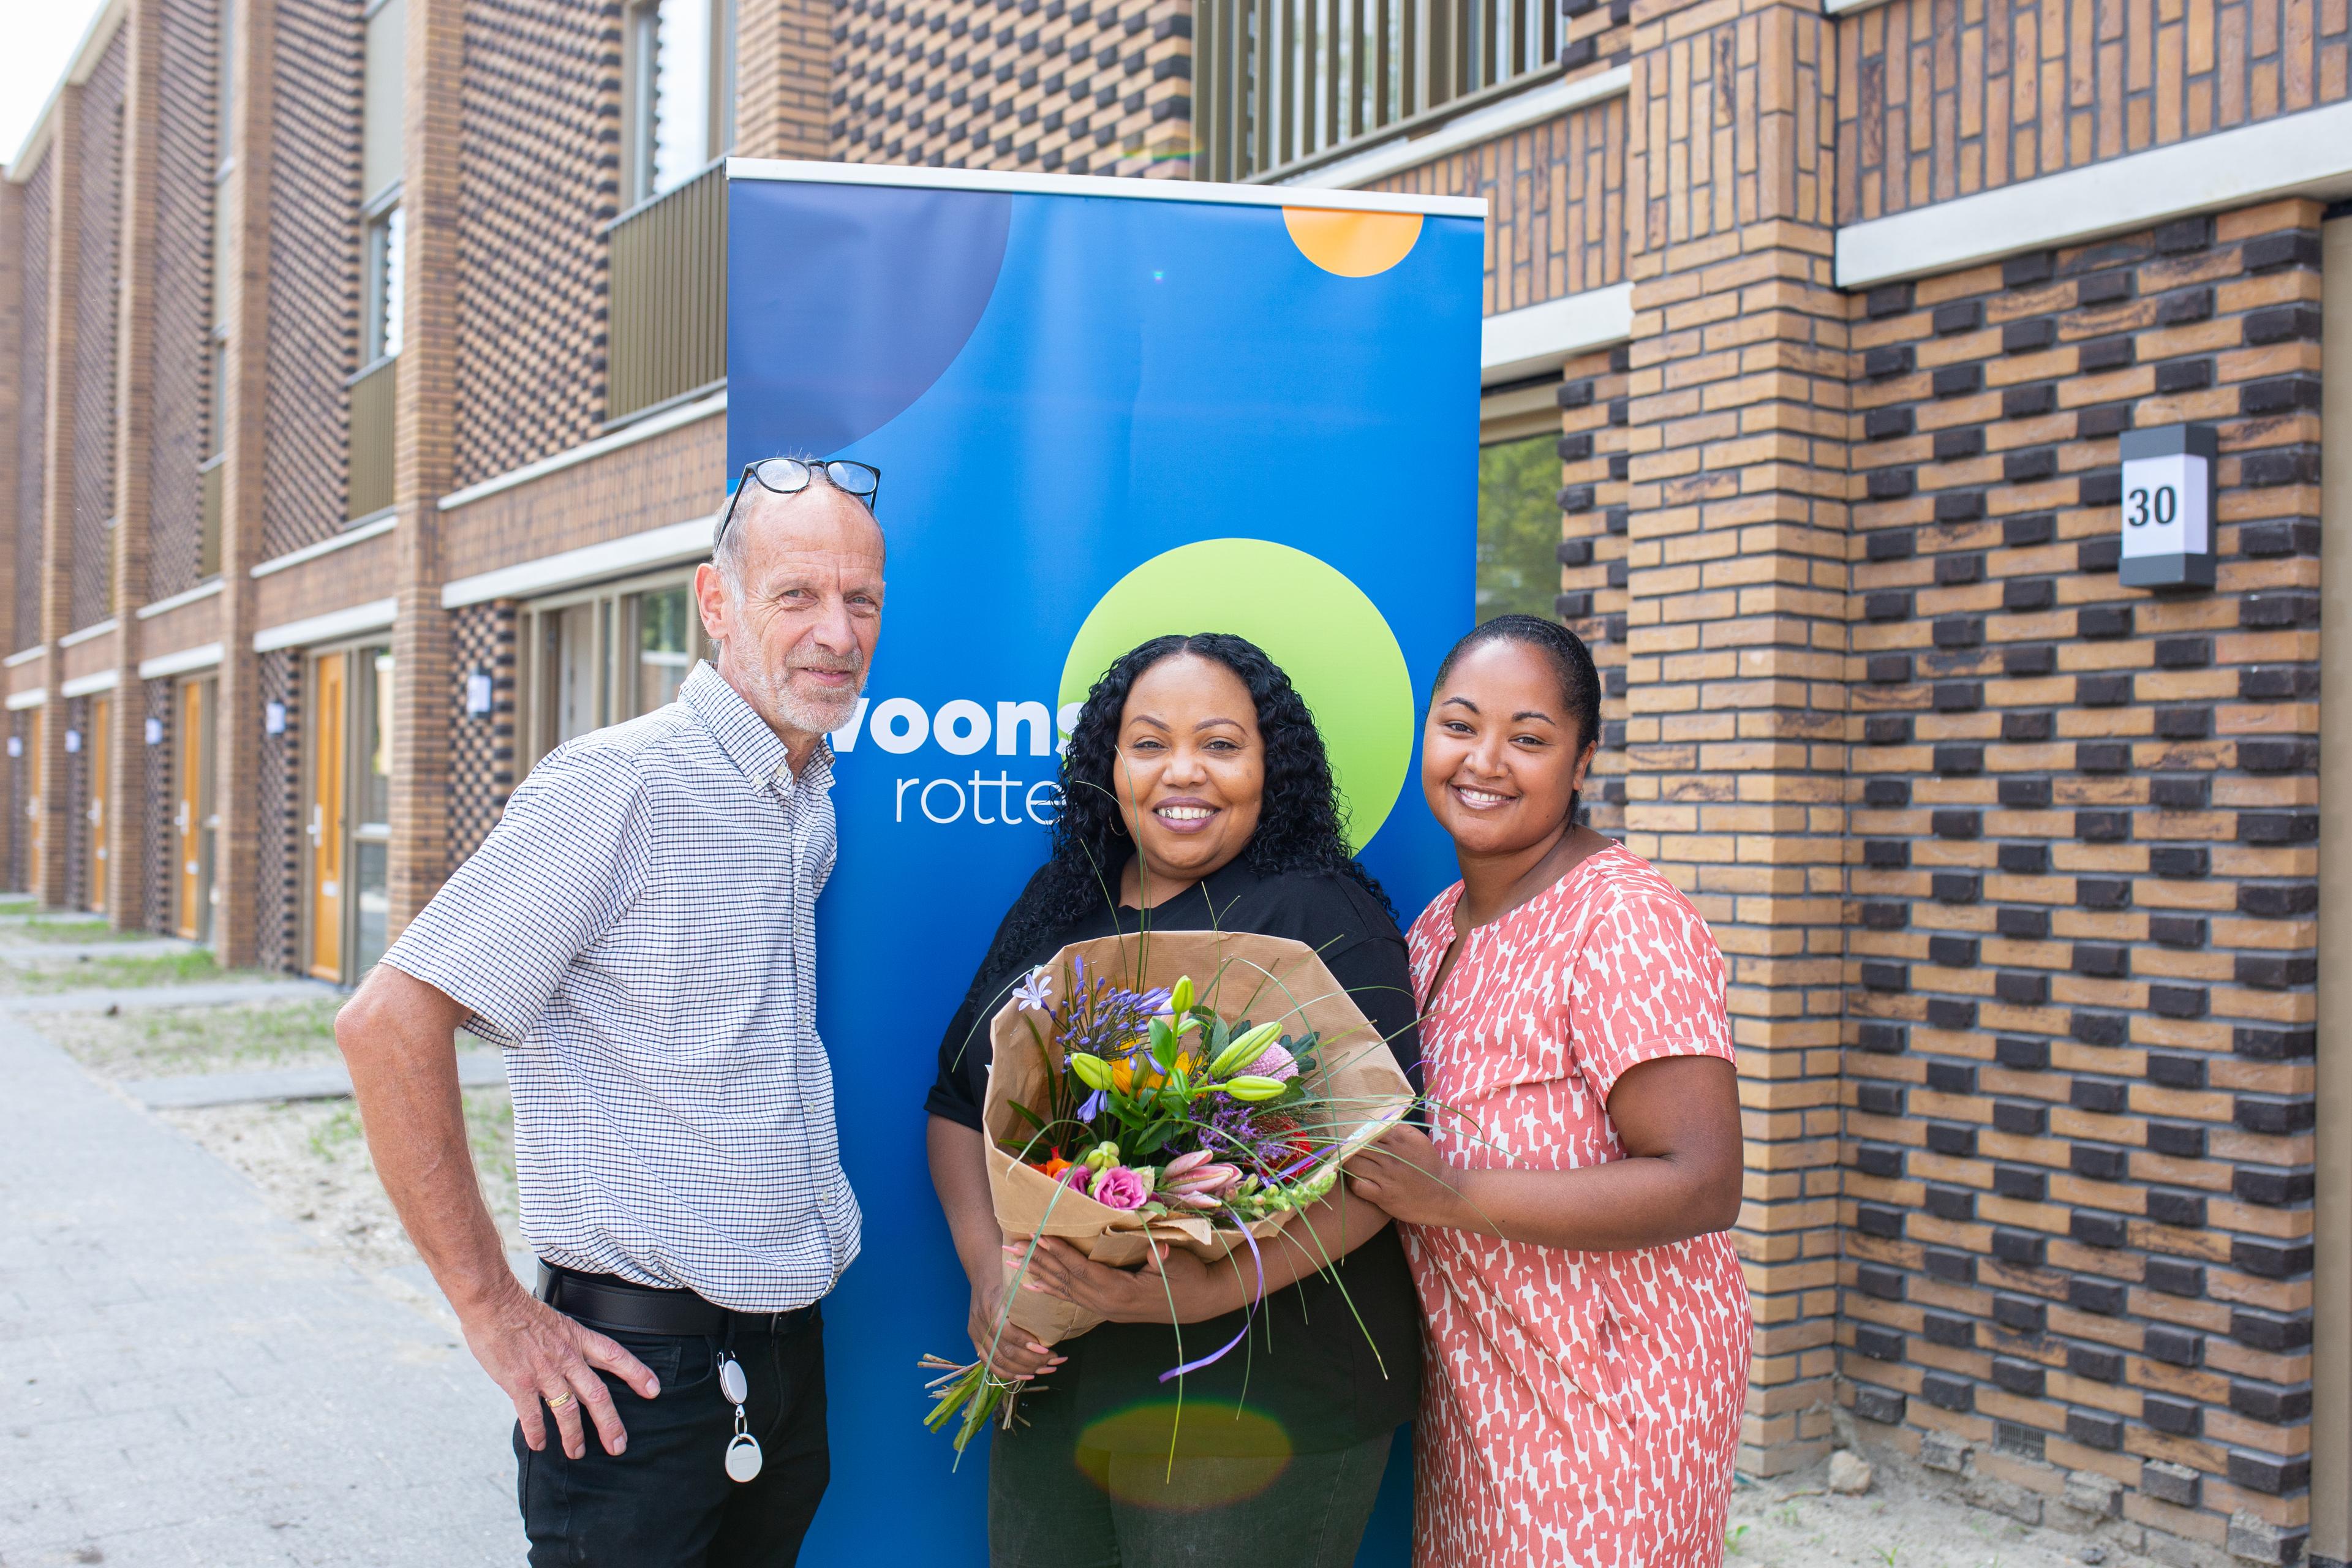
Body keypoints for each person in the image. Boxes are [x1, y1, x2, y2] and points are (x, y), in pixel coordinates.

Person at [334, 456, 888, 1567]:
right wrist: (493, 1309)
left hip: (782, 1363)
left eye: (860, 599)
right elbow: (386, 1024)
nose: (837, 630)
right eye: (797, 595)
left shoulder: (806, 800)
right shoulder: (619, 786)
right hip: (637, 1384)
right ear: (716, 603)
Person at [924, 632, 1422, 1568]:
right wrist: (992, 1273)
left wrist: (1202, 1289)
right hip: (1061, 1383)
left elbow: (1389, 1155)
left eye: (1222, 745)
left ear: (1271, 766)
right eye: (1148, 743)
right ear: (1109, 763)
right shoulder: (1063, 899)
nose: (1181, 772)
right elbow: (957, 1103)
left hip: (1262, 1404)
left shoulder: (1315, 914)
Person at [1347, 614, 1751, 1568]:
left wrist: (1448, 1193)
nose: (1485, 760)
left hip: (1616, 1388)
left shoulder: (1623, 921)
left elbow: (1702, 1181)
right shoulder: (1436, 926)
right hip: (1483, 1380)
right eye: (1460, 725)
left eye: (1528, 738)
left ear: (1581, 761)